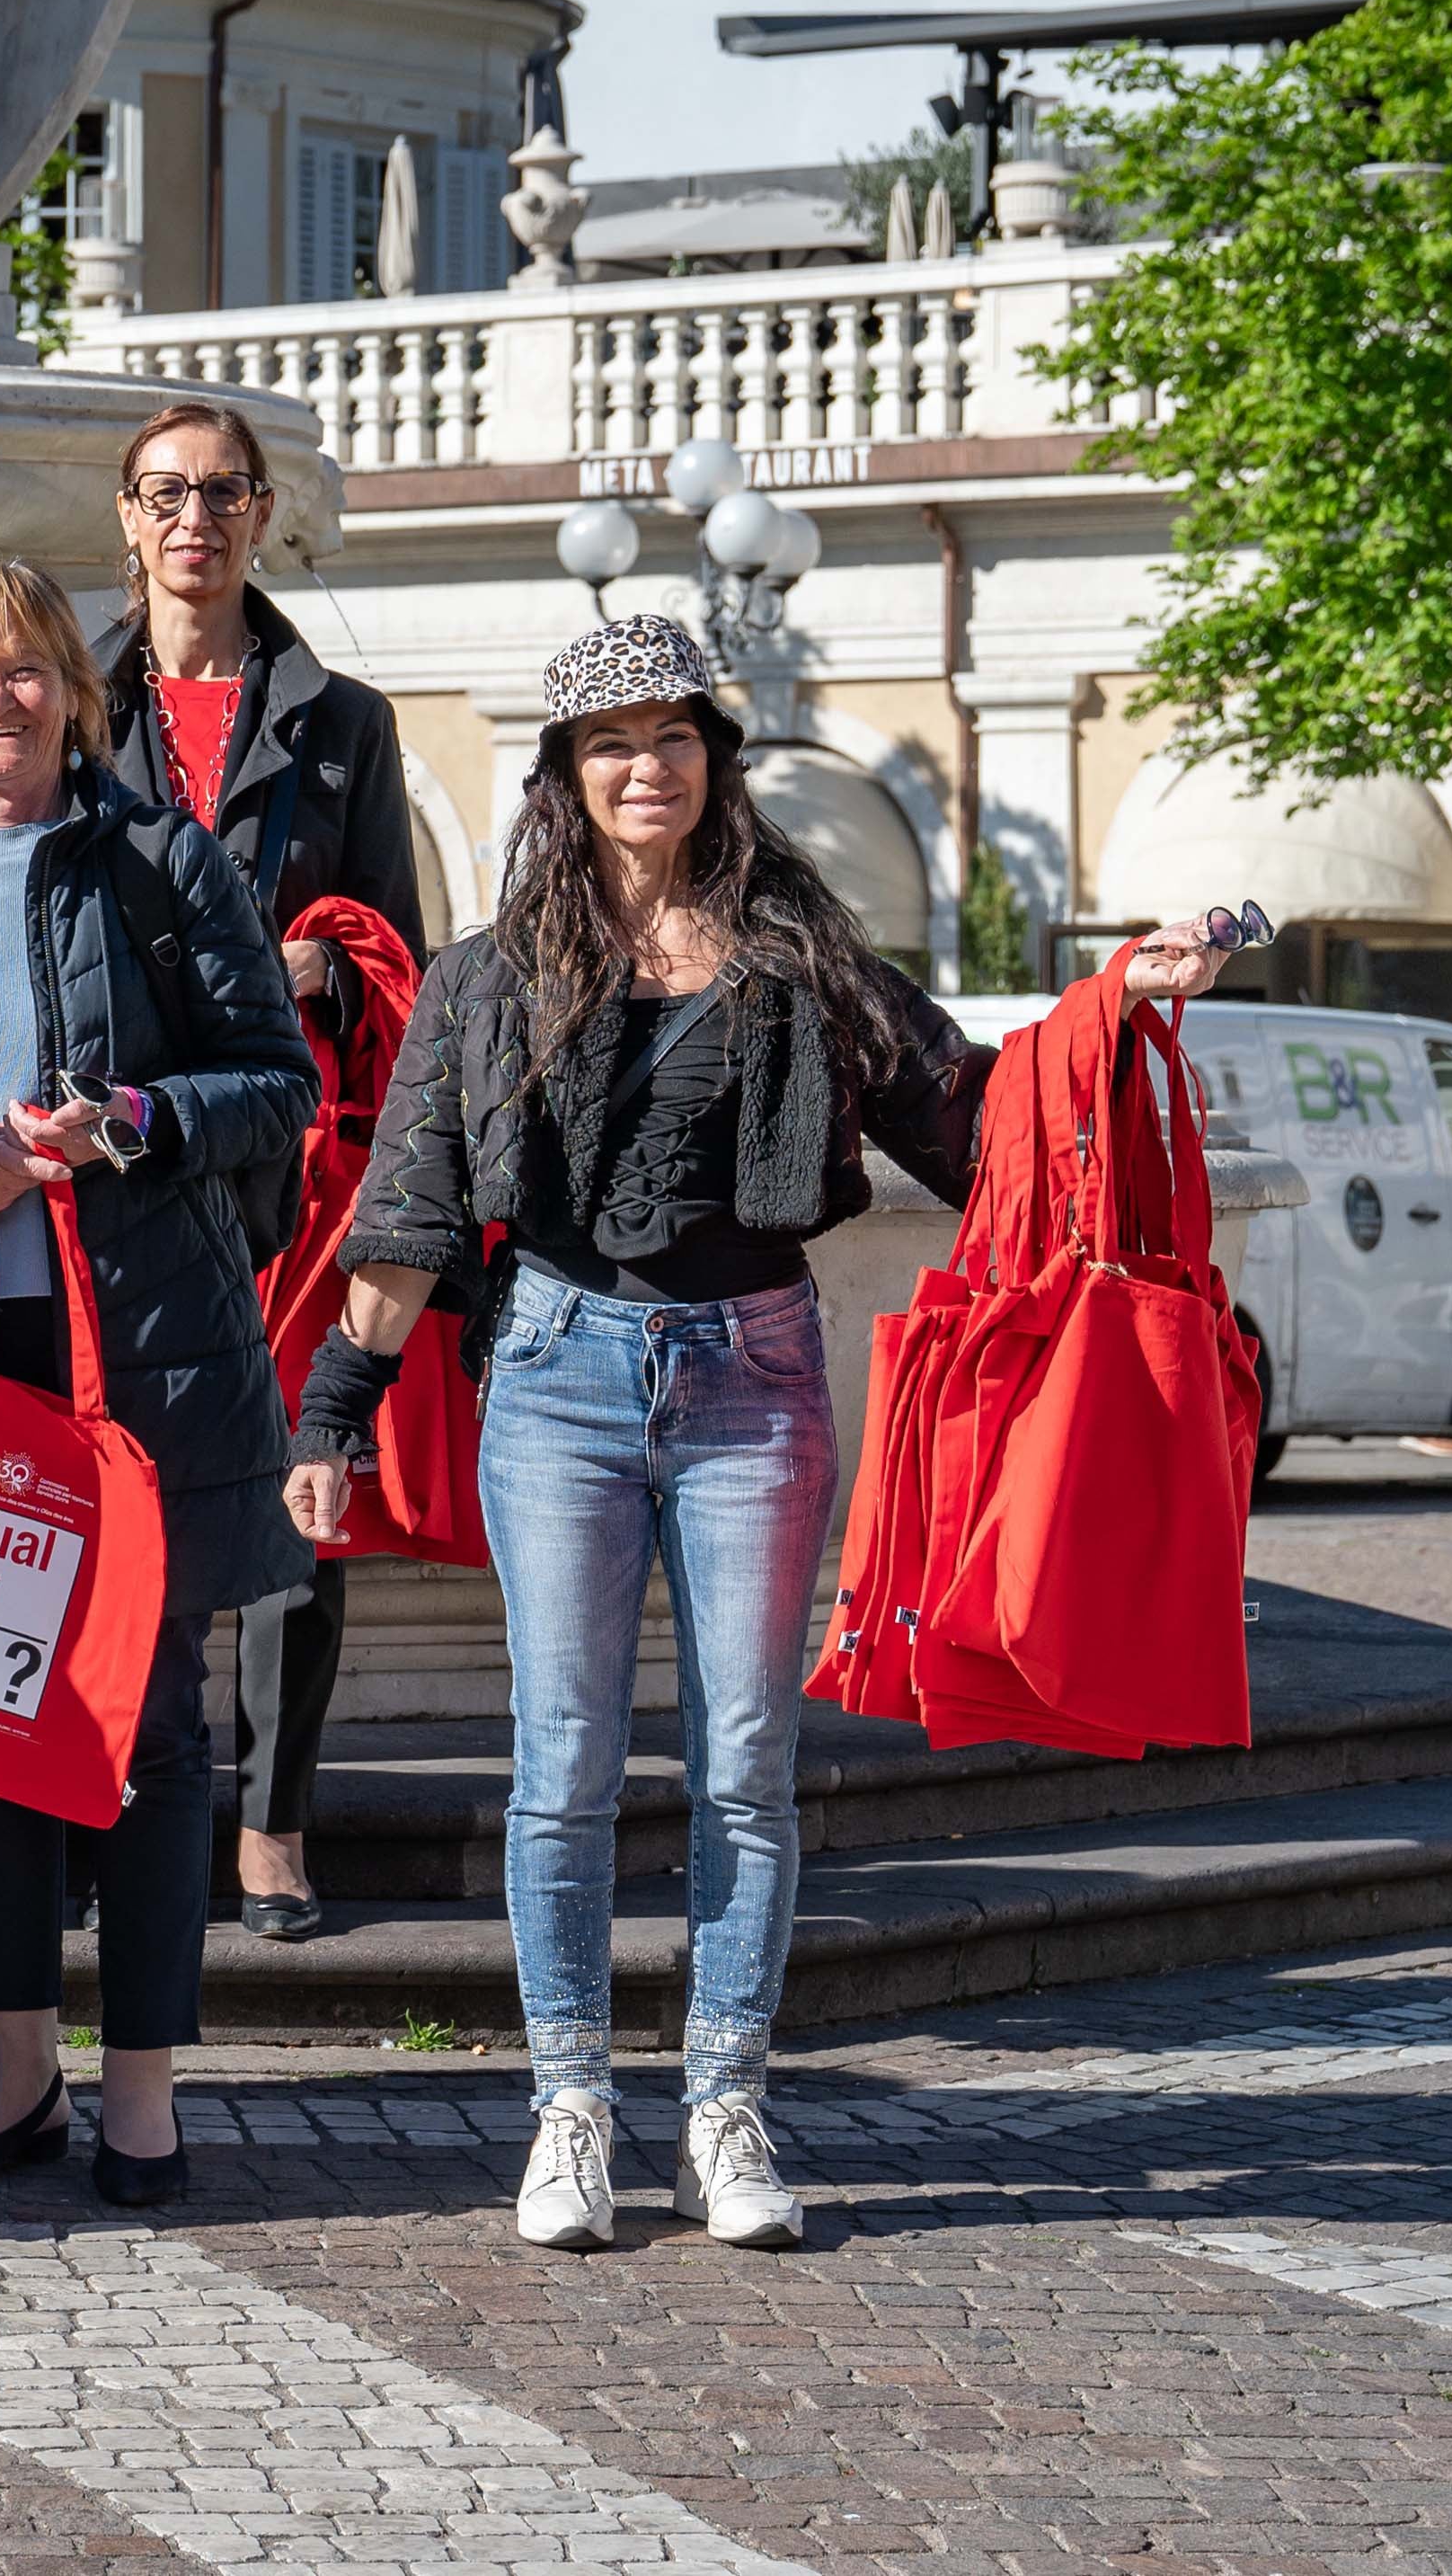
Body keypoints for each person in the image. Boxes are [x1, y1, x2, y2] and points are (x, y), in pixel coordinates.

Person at [303, 614, 1225, 2256]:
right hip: (559, 1373)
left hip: (753, 1374)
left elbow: (975, 1110)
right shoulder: (487, 973)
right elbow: (411, 1208)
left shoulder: (805, 958)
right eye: (609, 744)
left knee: (744, 1761)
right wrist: (334, 1412)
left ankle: (725, 2101)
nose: (642, 765)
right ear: (565, 778)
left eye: (671, 736)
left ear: (714, 760)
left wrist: (1114, 1004)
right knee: (564, 1761)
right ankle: (571, 2105)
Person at [0, 561, 320, 2214]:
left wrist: (140, 1120)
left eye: (23, 671)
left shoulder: (162, 860)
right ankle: (17, 2068)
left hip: (147, 1346)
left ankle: (146, 2087)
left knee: (155, 1729)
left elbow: (277, 1085)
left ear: (72, 693)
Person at [90, 398, 430, 1942]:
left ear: (261, 509)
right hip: (117, 1136)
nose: (192, 518)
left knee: (300, 1484)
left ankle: (272, 1826)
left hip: (288, 1150)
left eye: (221, 490)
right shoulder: (76, 695)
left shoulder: (342, 716)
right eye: (165, 491)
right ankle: (112, 1795)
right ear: (125, 514)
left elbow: (399, 949)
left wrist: (323, 963)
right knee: (117, 1478)